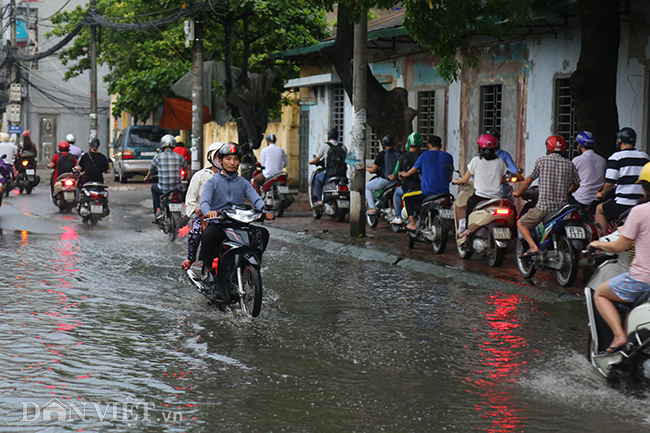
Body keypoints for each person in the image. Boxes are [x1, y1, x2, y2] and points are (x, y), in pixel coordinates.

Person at [588, 162, 650, 353]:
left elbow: (619, 245)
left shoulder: (639, 211)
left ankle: (619, 335)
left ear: (644, 186)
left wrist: (597, 243)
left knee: (600, 292)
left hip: (642, 280)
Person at [200, 143, 274, 295]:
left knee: (263, 234)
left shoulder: (243, 183)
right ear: (220, 161)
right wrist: (209, 212)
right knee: (208, 235)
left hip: (239, 224)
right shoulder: (212, 182)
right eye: (228, 159)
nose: (232, 163)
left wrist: (265, 210)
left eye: (235, 159)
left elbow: (256, 199)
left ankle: (251, 267)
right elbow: (205, 202)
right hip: (220, 224)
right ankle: (209, 271)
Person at [513, 135, 581, 256]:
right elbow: (576, 184)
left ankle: (533, 247)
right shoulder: (569, 164)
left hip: (544, 208)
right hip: (562, 209)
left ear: (548, 147)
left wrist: (518, 192)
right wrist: (567, 192)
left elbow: (528, 180)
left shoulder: (542, 161)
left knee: (521, 223)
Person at [595, 127, 649, 236]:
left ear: (619, 141)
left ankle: (602, 243)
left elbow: (610, 183)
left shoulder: (616, 157)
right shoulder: (645, 157)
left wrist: (602, 194)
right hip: (642, 202)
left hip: (623, 203)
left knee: (599, 209)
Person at [452, 133, 507, 237]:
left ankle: (467, 229)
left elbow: (464, 179)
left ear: (480, 148)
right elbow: (503, 181)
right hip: (497, 197)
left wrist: (456, 181)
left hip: (480, 197)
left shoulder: (476, 161)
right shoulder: (500, 162)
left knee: (469, 203)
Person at [181, 142, 223, 271]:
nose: (221, 160)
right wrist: (197, 209)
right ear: (211, 157)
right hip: (204, 216)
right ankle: (191, 258)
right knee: (196, 232)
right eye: (218, 156)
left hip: (226, 216)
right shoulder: (200, 176)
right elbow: (190, 199)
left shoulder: (230, 177)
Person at [400, 134, 453, 232]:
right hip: (445, 193)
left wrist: (405, 174)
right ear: (441, 146)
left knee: (406, 197)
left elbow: (413, 171)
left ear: (429, 145)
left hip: (427, 193)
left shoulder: (424, 155)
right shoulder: (448, 157)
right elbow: (449, 178)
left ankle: (412, 224)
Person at [143, 134, 188, 220]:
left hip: (163, 189)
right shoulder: (179, 157)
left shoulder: (158, 156)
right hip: (177, 188)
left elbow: (151, 169)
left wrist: (147, 177)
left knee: (153, 188)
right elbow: (186, 170)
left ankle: (158, 210)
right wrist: (184, 177)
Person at [390, 133, 424, 225]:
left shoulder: (403, 157)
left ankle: (398, 216)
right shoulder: (423, 155)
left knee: (397, 193)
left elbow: (399, 174)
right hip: (423, 186)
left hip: (409, 187)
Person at [309, 128, 348, 205]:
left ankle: (320, 199)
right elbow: (347, 159)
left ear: (328, 136)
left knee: (317, 178)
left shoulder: (325, 146)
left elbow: (316, 160)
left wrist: (311, 162)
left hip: (329, 174)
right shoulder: (343, 147)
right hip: (342, 174)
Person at [570, 131, 606, 209]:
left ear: (580, 146)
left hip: (580, 199)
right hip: (597, 200)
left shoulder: (577, 160)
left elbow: (570, 180)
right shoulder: (602, 160)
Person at [365, 135, 400, 215]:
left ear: (383, 144)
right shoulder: (399, 153)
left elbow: (373, 169)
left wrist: (367, 168)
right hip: (397, 180)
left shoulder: (381, 154)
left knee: (367, 187)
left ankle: (372, 207)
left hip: (385, 180)